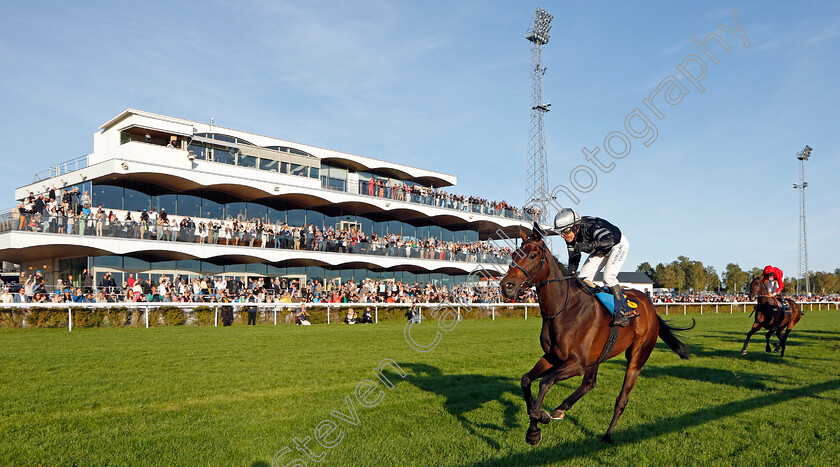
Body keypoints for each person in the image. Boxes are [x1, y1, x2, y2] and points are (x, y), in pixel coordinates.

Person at [554, 208, 630, 327]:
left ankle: (621, 313)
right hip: (601, 250)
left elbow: (610, 240)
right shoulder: (570, 237)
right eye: (561, 233)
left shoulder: (590, 227)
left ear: (575, 227)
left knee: (608, 277)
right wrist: (571, 274)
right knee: (582, 279)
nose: (563, 236)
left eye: (566, 231)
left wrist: (587, 245)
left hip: (617, 245)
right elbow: (574, 258)